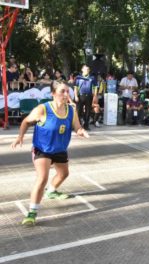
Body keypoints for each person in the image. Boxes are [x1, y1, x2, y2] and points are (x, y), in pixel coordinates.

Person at [11, 80, 89, 226]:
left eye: (68, 91)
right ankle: (32, 213)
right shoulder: (43, 109)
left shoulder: (71, 110)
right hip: (42, 149)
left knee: (64, 174)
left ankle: (51, 191)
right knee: (42, 178)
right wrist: (20, 137)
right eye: (62, 91)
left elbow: (77, 127)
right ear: (53, 94)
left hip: (60, 149)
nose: (66, 94)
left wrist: (81, 131)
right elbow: (26, 122)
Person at [74, 65, 97, 130]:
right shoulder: (78, 78)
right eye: (85, 69)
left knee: (88, 111)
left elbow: (95, 87)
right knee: (78, 111)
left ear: (89, 70)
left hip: (89, 96)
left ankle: (86, 125)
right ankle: (78, 126)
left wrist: (95, 96)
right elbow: (75, 88)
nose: (86, 70)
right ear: (82, 70)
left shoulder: (92, 78)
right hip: (80, 96)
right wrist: (75, 96)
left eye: (87, 69)